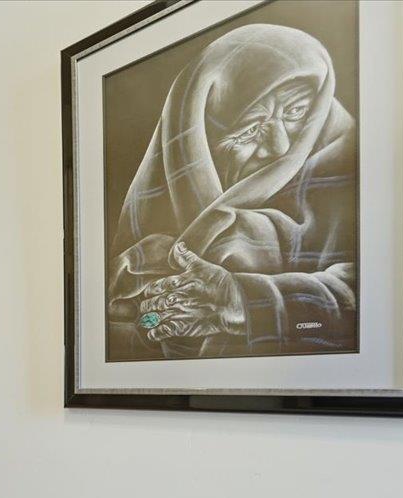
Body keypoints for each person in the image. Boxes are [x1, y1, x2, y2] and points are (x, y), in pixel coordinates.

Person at [107, 23, 358, 362]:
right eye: (250, 130)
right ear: (197, 144)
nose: (282, 147)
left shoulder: (348, 163)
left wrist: (246, 300)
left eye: (297, 112)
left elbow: (375, 301)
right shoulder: (142, 255)